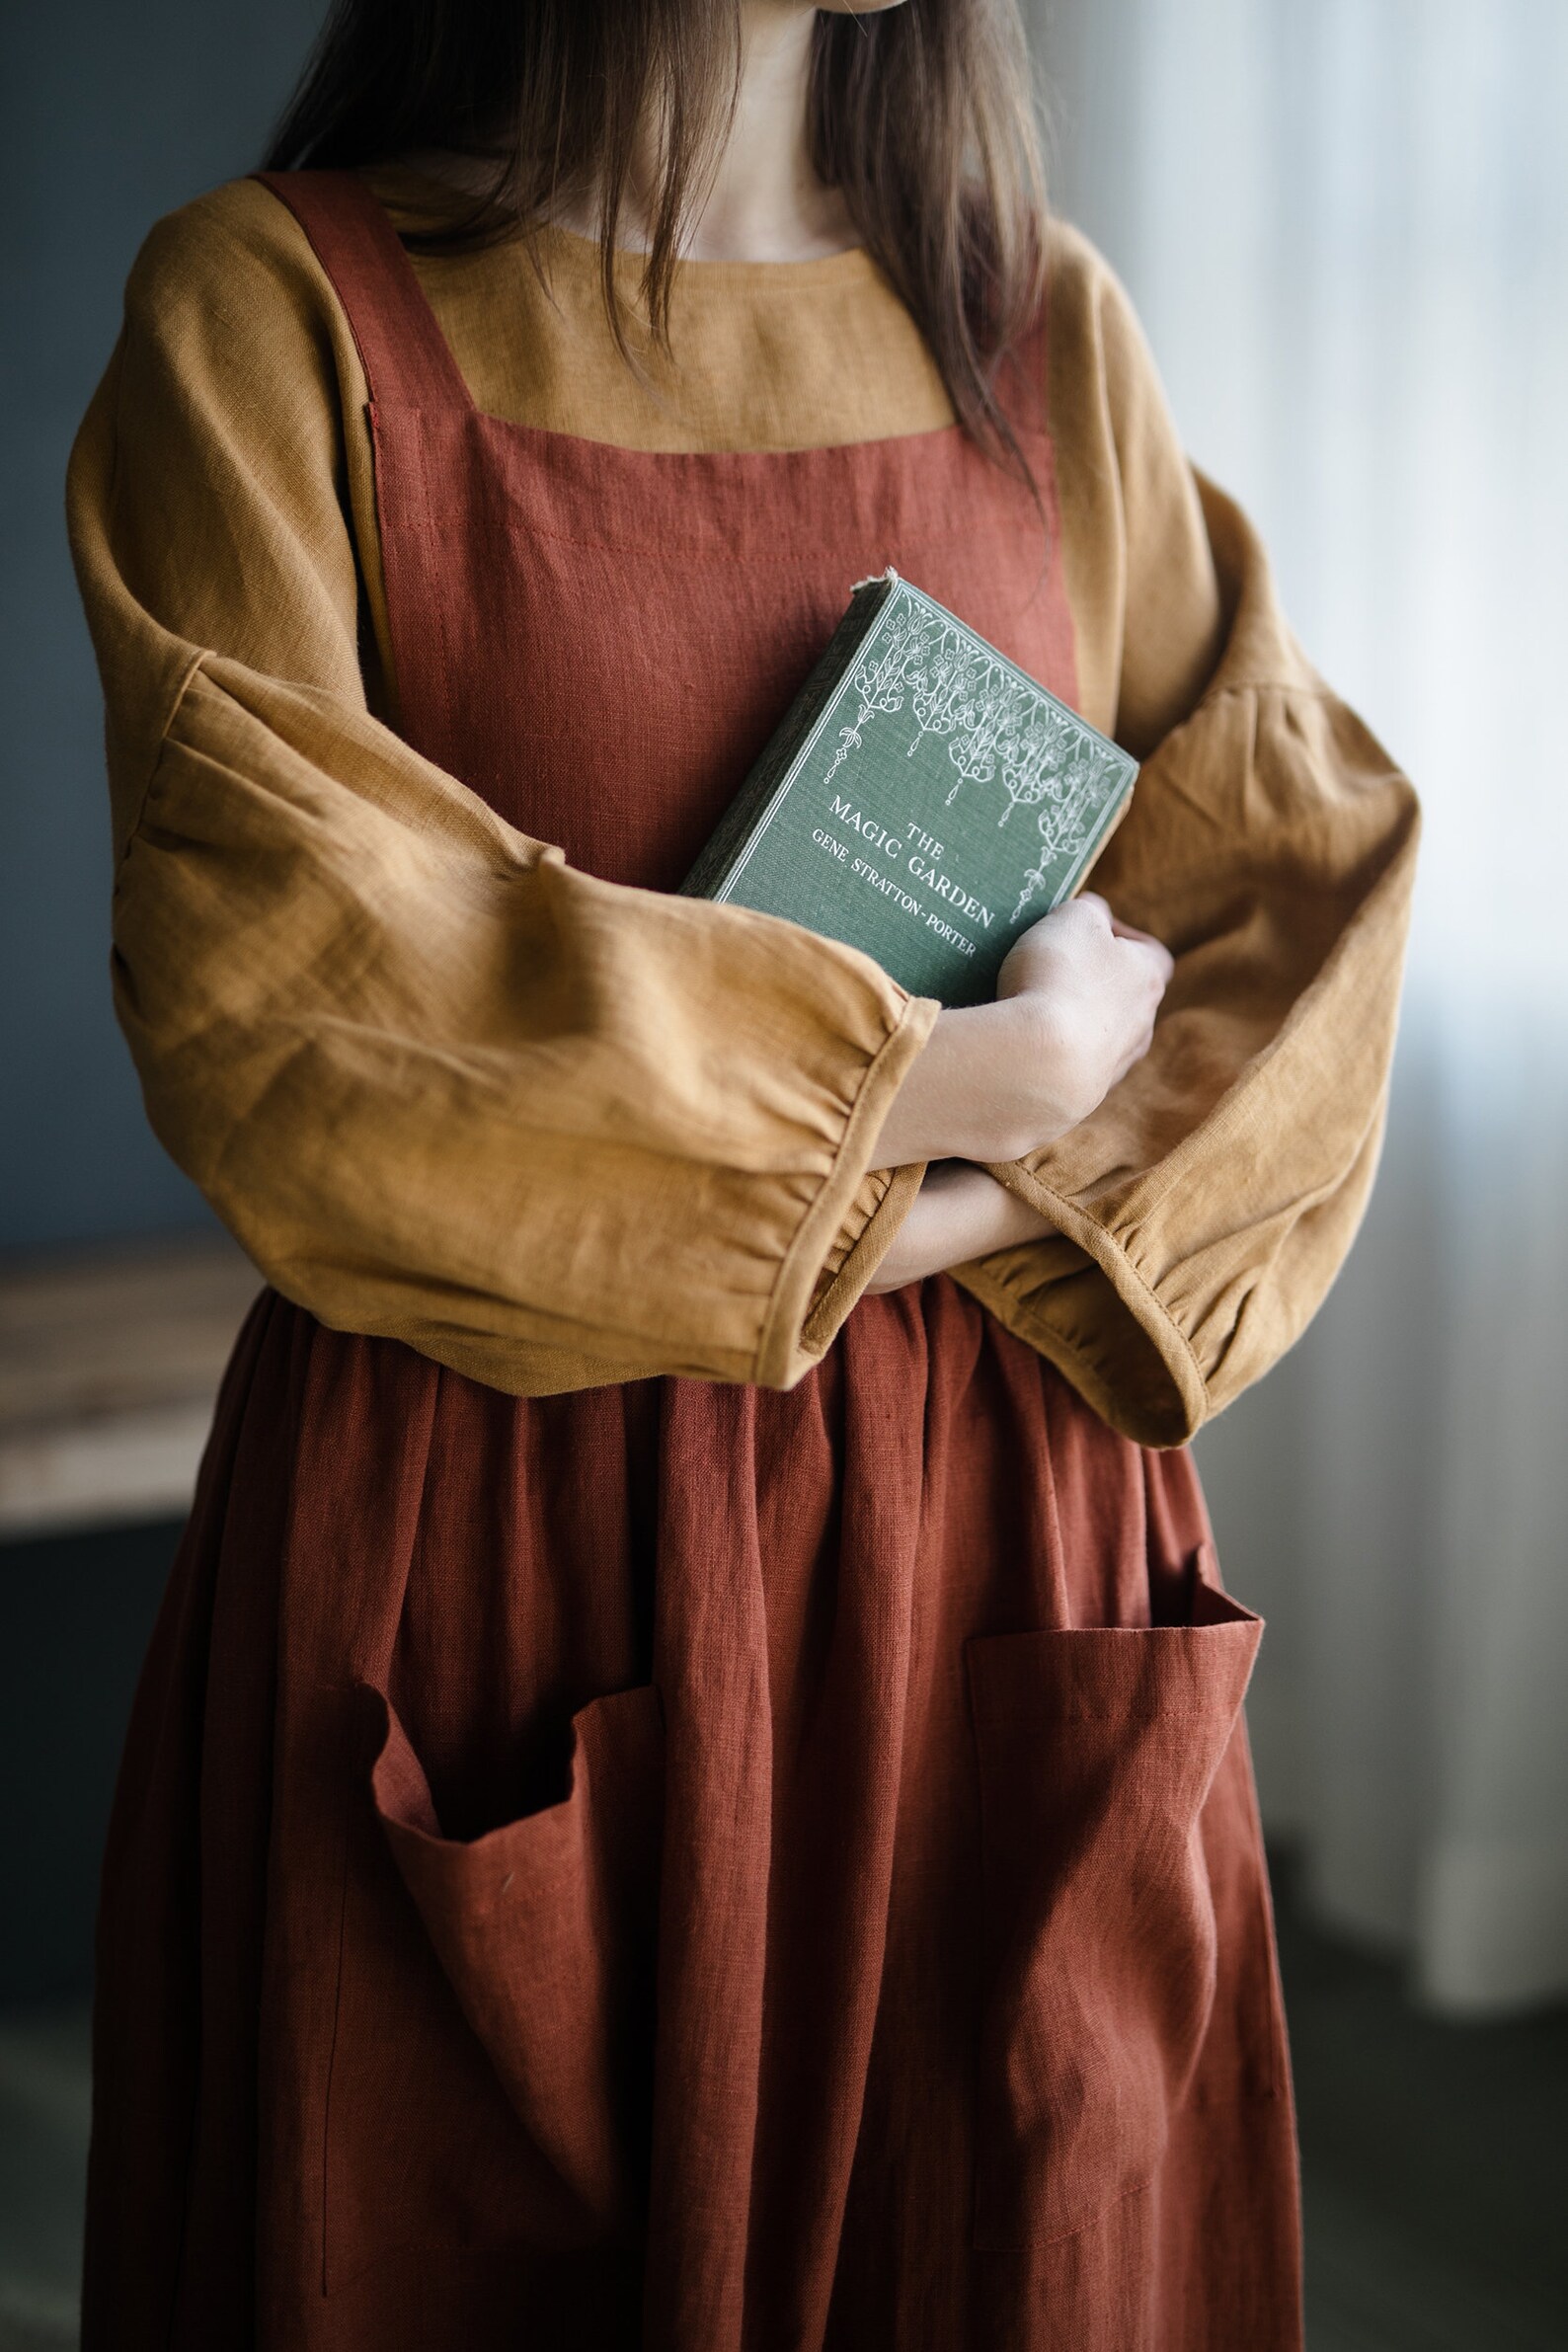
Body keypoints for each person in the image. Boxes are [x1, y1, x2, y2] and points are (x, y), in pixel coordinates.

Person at [66, 1, 1417, 2346]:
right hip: (491, 1533)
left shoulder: (1035, 325)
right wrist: (952, 1084)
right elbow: (313, 1017)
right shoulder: (272, 312)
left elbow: (1285, 929)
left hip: (1003, 1540)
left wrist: (965, 1159)